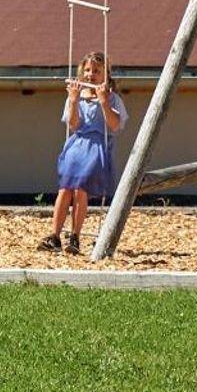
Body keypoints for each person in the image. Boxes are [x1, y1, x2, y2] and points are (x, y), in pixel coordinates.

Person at [39, 52, 127, 255]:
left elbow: (114, 126)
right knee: (65, 189)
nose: (90, 74)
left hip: (96, 146)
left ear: (105, 74)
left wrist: (104, 102)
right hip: (76, 146)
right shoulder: (76, 97)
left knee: (81, 188)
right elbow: (73, 125)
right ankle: (55, 236)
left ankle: (75, 236)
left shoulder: (112, 99)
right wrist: (72, 100)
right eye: (87, 70)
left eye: (96, 71)